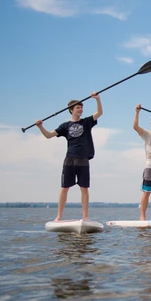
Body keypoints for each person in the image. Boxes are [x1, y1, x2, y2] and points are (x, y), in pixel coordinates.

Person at [35, 93, 103, 221]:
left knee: (84, 188)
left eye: (82, 107)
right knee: (64, 188)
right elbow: (48, 135)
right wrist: (40, 126)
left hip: (83, 159)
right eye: (78, 107)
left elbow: (99, 112)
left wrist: (97, 99)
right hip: (69, 159)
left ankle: (85, 217)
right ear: (71, 110)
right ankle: (59, 217)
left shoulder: (86, 122)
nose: (81, 109)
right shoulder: (65, 126)